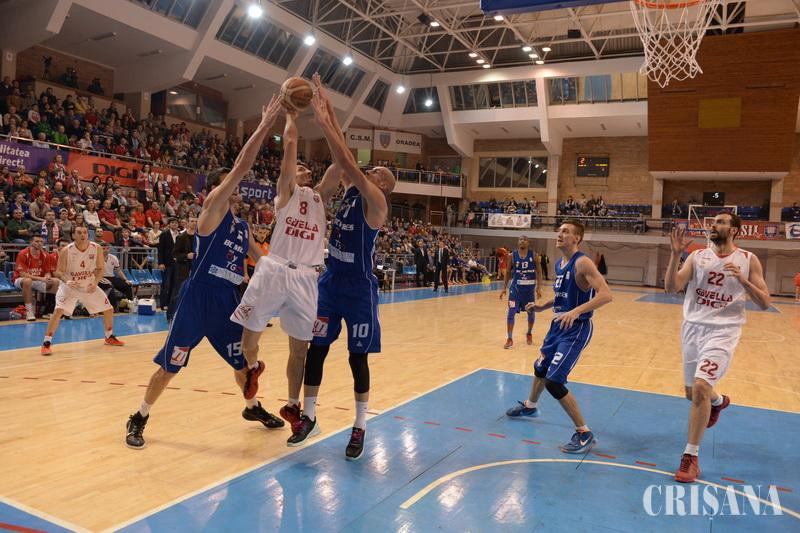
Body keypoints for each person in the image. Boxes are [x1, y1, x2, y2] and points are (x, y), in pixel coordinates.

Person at [124, 96, 285, 450]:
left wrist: (290, 272)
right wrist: (263, 126)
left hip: (226, 301)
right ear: (217, 188)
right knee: (170, 365)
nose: (236, 186)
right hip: (198, 298)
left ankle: (252, 407)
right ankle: (139, 416)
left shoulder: (242, 226)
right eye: (229, 183)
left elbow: (262, 258)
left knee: (242, 363)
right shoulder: (211, 212)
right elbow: (242, 166)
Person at [287, 79, 396, 460]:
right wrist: (328, 110)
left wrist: (323, 119)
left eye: (377, 170)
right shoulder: (351, 188)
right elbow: (342, 155)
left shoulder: (376, 201)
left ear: (384, 184)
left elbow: (347, 159)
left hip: (359, 289)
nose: (371, 169)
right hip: (331, 282)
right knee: (316, 349)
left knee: (356, 358)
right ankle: (309, 416)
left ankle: (360, 425)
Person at [230, 93, 340, 429]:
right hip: (275, 268)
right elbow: (289, 148)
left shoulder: (321, 197)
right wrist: (291, 116)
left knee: (300, 348)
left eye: (306, 168)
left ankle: (293, 405)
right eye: (299, 168)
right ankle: (253, 370)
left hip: (306, 277)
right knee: (248, 340)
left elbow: (340, 162)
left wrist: (328, 120)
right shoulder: (286, 193)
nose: (302, 170)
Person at [665, 214, 770, 483]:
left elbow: (765, 302)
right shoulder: (697, 256)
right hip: (692, 328)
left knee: (701, 386)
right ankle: (718, 401)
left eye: (721, 222)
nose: (714, 225)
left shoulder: (748, 259)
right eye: (713, 222)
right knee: (692, 393)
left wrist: (744, 282)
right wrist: (675, 255)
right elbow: (672, 287)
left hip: (724, 331)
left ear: (734, 230)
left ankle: (690, 456)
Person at [505, 220, 612, 454]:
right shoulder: (559, 263)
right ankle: (530, 406)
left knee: (554, 381)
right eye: (559, 230)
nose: (560, 234)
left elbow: (606, 295)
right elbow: (562, 296)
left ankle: (584, 433)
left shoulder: (582, 262)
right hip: (557, 326)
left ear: (577, 238)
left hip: (576, 328)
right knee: (540, 368)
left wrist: (576, 312)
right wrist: (542, 306)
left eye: (566, 231)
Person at [40, 226, 124, 355]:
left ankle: (109, 336)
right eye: (79, 233)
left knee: (108, 309)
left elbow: (100, 269)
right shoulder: (66, 250)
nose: (82, 235)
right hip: (69, 286)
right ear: (74, 235)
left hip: (88, 285)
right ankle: (46, 343)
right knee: (58, 311)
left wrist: (95, 283)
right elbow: (58, 272)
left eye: (85, 232)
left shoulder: (96, 248)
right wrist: (67, 280)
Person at [499, 236, 542, 349]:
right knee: (511, 313)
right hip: (515, 290)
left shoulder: (534, 255)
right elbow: (508, 272)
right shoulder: (512, 256)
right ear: (518, 242)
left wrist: (539, 288)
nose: (522, 241)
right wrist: (504, 288)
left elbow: (539, 272)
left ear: (528, 243)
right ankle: (509, 338)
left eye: (524, 240)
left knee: (531, 313)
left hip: (529, 291)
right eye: (520, 240)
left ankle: (529, 333)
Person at [13, 235, 59, 321]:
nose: (40, 243)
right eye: (37, 241)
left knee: (56, 282)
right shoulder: (23, 253)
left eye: (41, 242)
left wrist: (47, 277)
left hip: (37, 280)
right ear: (31, 242)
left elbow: (47, 272)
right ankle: (29, 311)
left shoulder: (45, 255)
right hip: (21, 280)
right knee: (28, 281)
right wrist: (41, 279)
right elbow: (23, 274)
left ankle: (51, 310)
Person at [98, 241, 133, 311]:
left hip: (112, 277)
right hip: (101, 278)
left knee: (127, 286)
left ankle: (127, 306)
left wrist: (125, 279)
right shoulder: (96, 258)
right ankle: (113, 308)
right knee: (110, 287)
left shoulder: (113, 257)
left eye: (107, 248)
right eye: (103, 249)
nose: (105, 250)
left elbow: (118, 270)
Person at [158, 218, 180, 320]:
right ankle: (163, 304)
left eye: (176, 223)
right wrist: (161, 262)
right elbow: (160, 249)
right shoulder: (164, 234)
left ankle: (171, 304)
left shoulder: (180, 235)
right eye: (172, 223)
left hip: (177, 263)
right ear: (169, 224)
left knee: (174, 285)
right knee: (166, 284)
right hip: (167, 263)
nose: (174, 224)